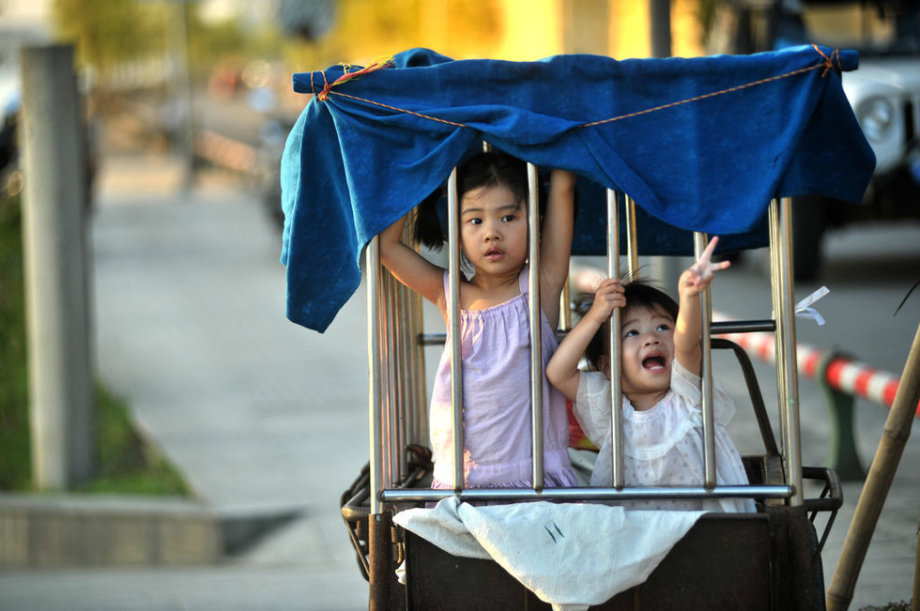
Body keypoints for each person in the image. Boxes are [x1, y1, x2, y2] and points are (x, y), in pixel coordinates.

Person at [379, 151, 578, 489]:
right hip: (466, 480)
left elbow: (563, 187)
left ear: (536, 222)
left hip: (535, 479)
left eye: (508, 217)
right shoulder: (451, 294)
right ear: (456, 231)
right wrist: (417, 166)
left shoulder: (540, 285)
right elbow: (387, 247)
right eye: (475, 220)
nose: (492, 234)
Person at [546, 238, 755, 512]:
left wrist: (690, 296)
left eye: (662, 327)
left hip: (705, 530)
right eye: (631, 333)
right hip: (637, 536)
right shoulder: (609, 407)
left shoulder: (686, 395)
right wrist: (596, 315)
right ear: (609, 368)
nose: (651, 339)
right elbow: (557, 372)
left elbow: (686, 343)